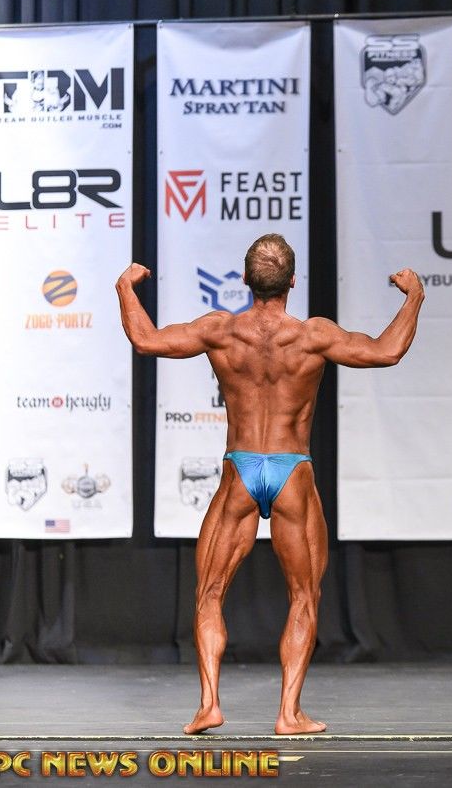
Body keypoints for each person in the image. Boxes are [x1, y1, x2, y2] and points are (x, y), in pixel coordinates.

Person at [115, 233, 425, 735]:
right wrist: (414, 297)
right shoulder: (312, 336)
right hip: (291, 471)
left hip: (240, 470)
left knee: (210, 592)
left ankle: (209, 705)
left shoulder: (220, 330)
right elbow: (387, 351)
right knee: (304, 596)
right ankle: (288, 714)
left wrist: (126, 287)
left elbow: (146, 340)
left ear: (244, 280)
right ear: (293, 282)